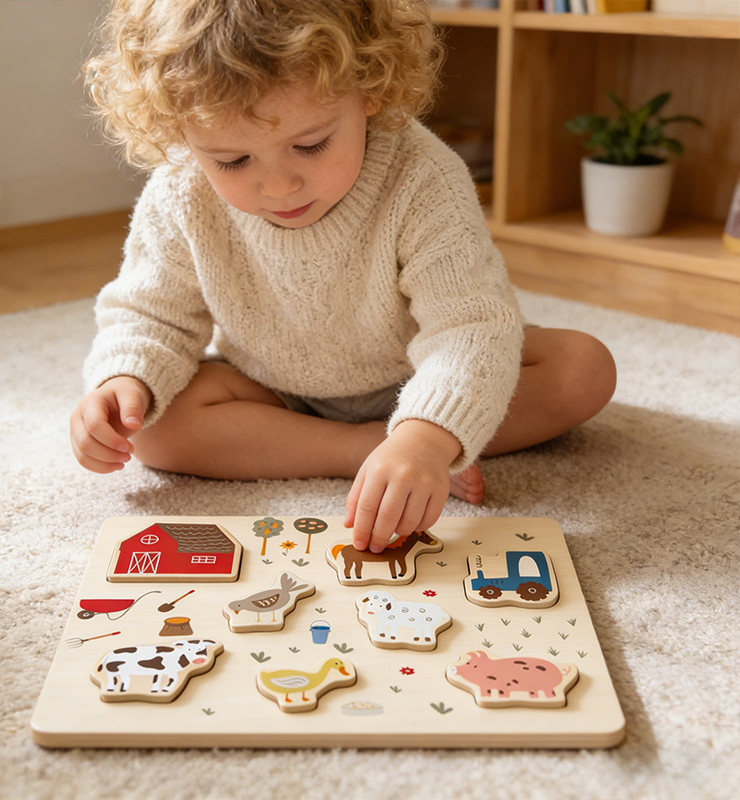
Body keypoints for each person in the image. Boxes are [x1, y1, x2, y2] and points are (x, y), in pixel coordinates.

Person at [70, 0, 616, 554]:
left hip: (421, 370)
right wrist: (125, 382)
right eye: (233, 161)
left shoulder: (426, 179)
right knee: (156, 429)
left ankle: (418, 444)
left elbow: (471, 329)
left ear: (370, 89)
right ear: (181, 134)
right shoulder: (179, 191)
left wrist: (427, 436)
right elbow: (151, 312)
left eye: (310, 145)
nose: (279, 186)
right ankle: (366, 450)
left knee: (582, 368)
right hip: (275, 391)